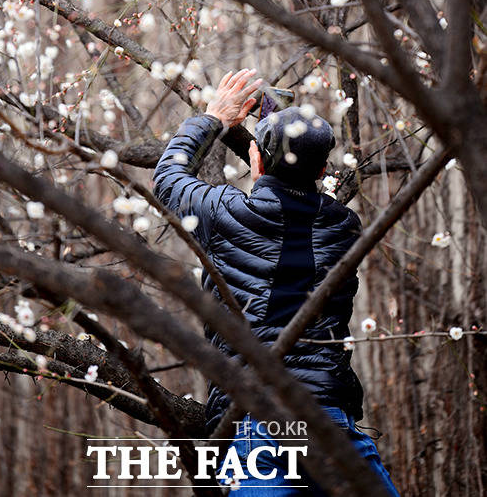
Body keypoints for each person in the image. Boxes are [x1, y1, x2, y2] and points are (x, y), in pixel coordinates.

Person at [152, 68, 400, 495]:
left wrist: (212, 119)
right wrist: (285, 132)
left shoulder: (225, 214)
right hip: (329, 420)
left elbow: (168, 178)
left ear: (257, 161)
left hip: (257, 425)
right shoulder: (343, 227)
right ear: (324, 169)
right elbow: (297, 200)